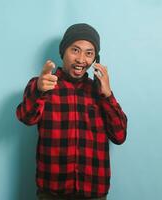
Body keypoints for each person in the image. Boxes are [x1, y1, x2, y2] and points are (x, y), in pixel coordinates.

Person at [16, 23, 127, 200]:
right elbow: (26, 117)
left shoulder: (100, 92)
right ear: (63, 52)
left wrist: (107, 95)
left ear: (95, 59)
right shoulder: (43, 84)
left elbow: (119, 136)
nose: (81, 59)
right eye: (75, 50)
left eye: (89, 53)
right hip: (52, 191)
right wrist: (38, 90)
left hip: (93, 191)